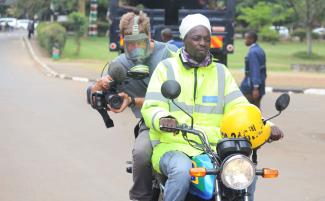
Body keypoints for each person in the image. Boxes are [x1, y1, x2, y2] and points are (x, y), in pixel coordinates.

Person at [141, 14, 283, 201]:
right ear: (184, 39)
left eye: (206, 39)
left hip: (215, 148)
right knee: (182, 172)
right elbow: (152, 105)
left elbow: (240, 107)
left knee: (245, 172)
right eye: (196, 38)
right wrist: (162, 118)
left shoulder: (221, 72)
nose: (203, 43)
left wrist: (266, 126)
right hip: (174, 145)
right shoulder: (166, 69)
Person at [89, 11, 178, 201]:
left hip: (182, 117)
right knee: (141, 153)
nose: (136, 49)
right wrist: (99, 86)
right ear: (122, 41)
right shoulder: (119, 65)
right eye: (130, 44)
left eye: (141, 42)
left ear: (149, 36)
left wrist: (133, 100)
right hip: (152, 124)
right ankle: (141, 197)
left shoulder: (169, 55)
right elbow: (93, 97)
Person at [240, 31, 266, 108]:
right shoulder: (259, 49)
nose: (244, 40)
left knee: (247, 109)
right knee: (256, 109)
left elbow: (255, 70)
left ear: (251, 39)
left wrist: (255, 88)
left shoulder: (253, 52)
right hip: (260, 84)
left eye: (246, 38)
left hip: (250, 87)